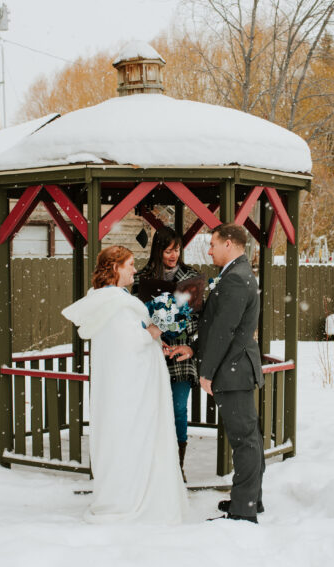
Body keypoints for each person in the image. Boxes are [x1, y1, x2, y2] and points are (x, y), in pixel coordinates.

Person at [62, 245, 188, 525]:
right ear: (116, 268)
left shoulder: (110, 301)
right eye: (129, 264)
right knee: (133, 441)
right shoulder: (116, 305)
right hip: (131, 393)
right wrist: (157, 327)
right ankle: (130, 498)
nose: (134, 269)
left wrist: (153, 335)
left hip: (119, 390)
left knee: (123, 439)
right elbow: (130, 344)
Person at [168, 224, 265, 523]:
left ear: (230, 244)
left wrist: (206, 373)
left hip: (233, 370)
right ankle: (249, 499)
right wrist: (194, 349)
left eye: (213, 244)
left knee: (245, 440)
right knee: (249, 437)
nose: (209, 250)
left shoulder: (236, 278)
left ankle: (244, 511)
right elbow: (216, 326)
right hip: (235, 366)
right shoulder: (235, 274)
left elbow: (225, 332)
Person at [132, 227, 201, 480]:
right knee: (151, 409)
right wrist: (154, 331)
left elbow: (199, 318)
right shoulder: (141, 278)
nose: (173, 255)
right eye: (168, 250)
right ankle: (153, 464)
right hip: (152, 351)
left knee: (179, 408)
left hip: (180, 353)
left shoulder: (191, 277)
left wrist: (179, 326)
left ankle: (176, 467)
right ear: (158, 250)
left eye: (177, 249)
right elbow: (136, 316)